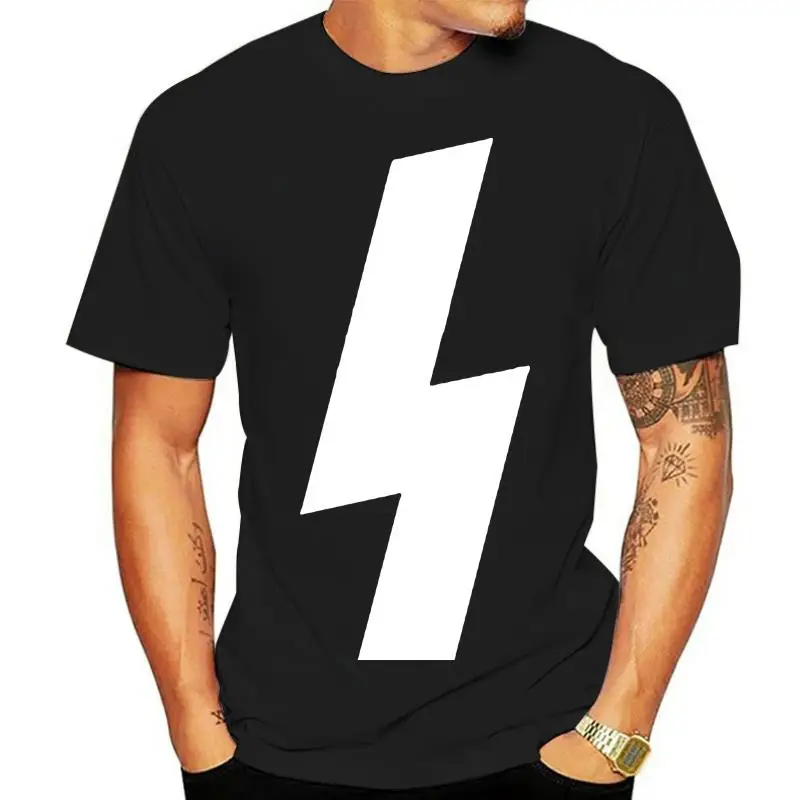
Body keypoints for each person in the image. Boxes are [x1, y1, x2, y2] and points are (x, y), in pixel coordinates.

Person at [67, 1, 739, 797]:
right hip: (272, 747)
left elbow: (684, 438)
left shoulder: (616, 118)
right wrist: (196, 729)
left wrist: (616, 731)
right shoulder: (202, 131)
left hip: (549, 737)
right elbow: (158, 445)